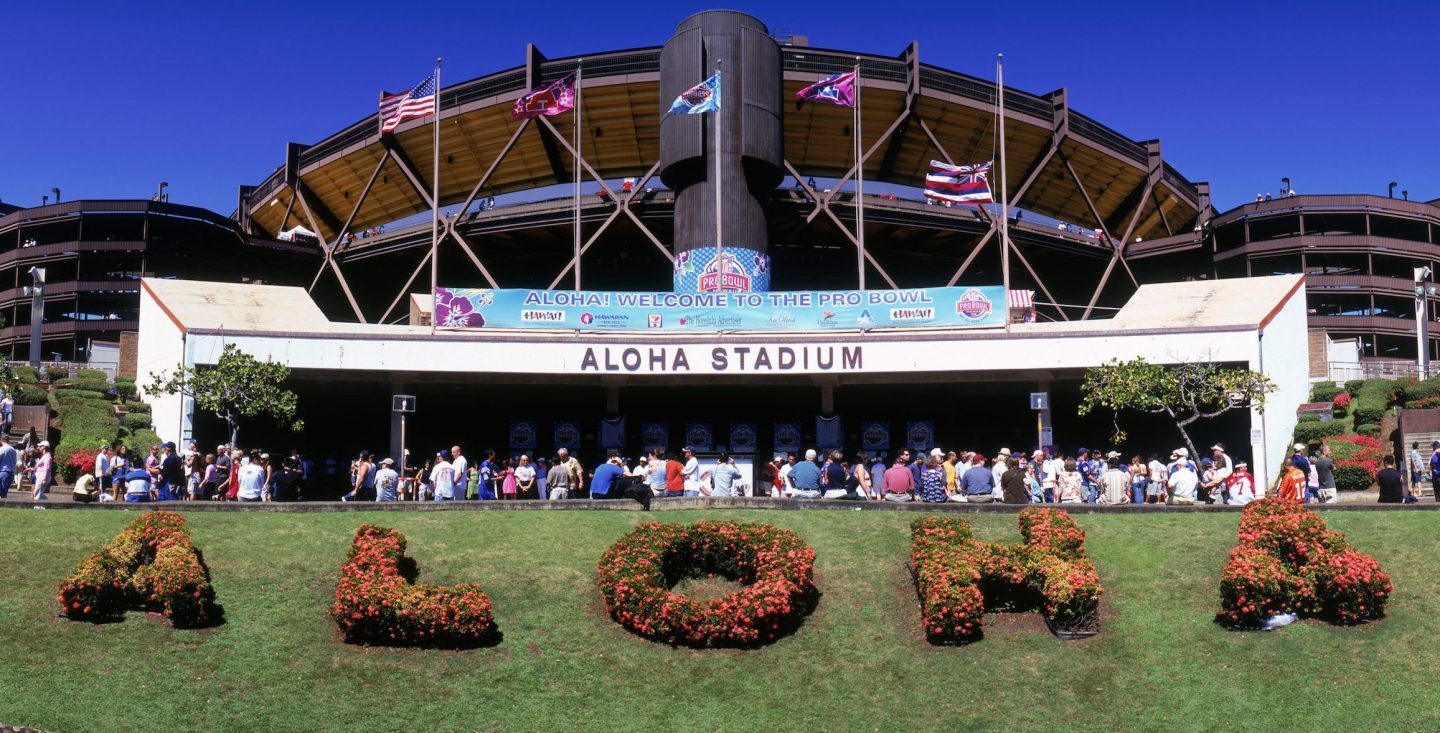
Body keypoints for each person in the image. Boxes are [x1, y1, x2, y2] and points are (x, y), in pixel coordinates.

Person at [0, 435, 16, 499]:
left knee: (2, 493)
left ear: (1, 440)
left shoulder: (2, 449)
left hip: (3, 471)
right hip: (11, 472)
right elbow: (15, 461)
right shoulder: (13, 449)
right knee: (4, 493)